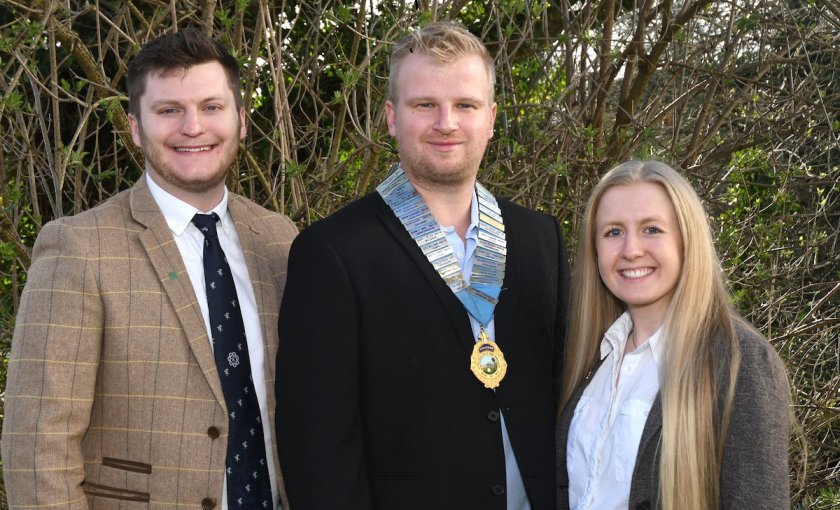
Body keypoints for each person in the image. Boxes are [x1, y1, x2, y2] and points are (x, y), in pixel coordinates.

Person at [275, 21, 570, 510]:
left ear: (492, 118)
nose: (446, 122)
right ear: (392, 117)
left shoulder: (542, 239)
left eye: (466, 105)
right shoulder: (332, 253)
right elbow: (317, 446)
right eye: (424, 105)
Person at [1, 28, 297, 509]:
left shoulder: (280, 239)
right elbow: (38, 449)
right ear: (136, 127)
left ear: (242, 121)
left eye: (211, 107)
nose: (193, 127)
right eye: (168, 110)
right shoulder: (78, 249)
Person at [556, 160, 791, 510]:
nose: (631, 249)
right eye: (613, 232)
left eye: (652, 229)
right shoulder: (589, 356)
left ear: (686, 240)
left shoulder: (740, 361)